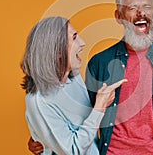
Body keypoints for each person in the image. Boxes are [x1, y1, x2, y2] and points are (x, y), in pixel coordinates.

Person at [28, 0, 153, 155]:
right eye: (133, 7)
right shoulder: (100, 63)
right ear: (118, 16)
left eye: (147, 7)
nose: (141, 12)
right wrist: (47, 139)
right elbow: (83, 118)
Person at [21, 17, 127, 155]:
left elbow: (79, 124)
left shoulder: (74, 77)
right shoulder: (39, 100)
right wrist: (100, 106)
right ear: (57, 51)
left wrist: (46, 137)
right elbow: (73, 151)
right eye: (74, 37)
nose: (82, 43)